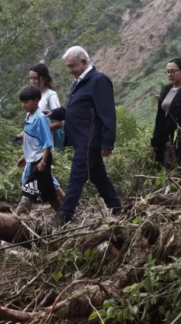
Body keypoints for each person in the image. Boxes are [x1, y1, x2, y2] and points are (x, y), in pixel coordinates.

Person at [48, 46, 121, 226]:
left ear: (84, 62)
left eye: (72, 66)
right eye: (68, 66)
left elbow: (108, 113)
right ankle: (117, 207)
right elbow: (74, 110)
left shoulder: (98, 80)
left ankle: (64, 214)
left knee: (77, 176)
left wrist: (107, 143)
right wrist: (54, 112)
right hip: (80, 138)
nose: (69, 70)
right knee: (98, 176)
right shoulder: (78, 82)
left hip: (90, 139)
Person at [15, 86, 61, 215]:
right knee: (49, 192)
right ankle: (65, 215)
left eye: (26, 102)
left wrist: (43, 162)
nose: (23, 105)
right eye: (22, 102)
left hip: (41, 159)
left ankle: (20, 219)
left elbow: (46, 143)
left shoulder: (40, 118)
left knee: (29, 190)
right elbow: (32, 142)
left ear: (36, 101)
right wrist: (25, 157)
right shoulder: (29, 116)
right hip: (34, 158)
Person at [26, 63, 66, 201]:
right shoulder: (35, 95)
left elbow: (59, 122)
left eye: (35, 78)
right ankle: (68, 204)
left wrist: (40, 131)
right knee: (46, 176)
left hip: (44, 142)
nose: (32, 81)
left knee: (34, 172)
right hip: (35, 143)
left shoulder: (50, 96)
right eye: (30, 78)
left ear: (43, 78)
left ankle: (26, 202)